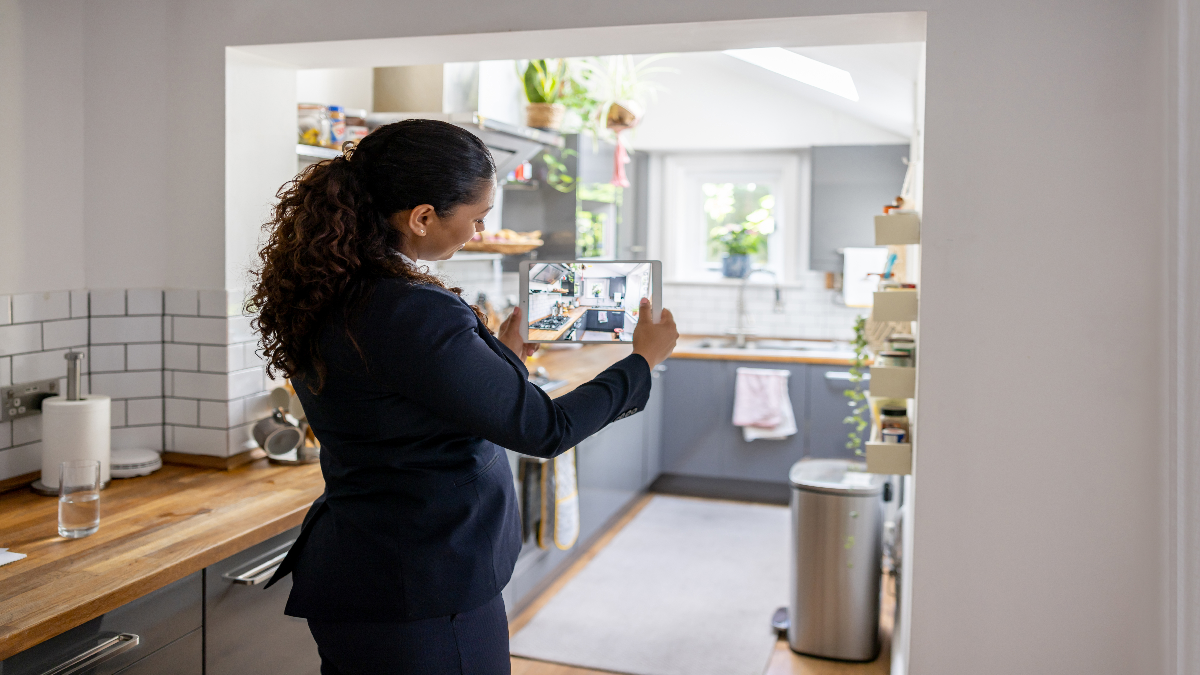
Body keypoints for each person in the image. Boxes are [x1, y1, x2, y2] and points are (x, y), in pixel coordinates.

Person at [250, 119, 678, 675]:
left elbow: (405, 396)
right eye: (476, 218)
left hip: (365, 571)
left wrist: (502, 361)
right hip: (424, 586)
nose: (478, 231)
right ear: (423, 217)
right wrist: (641, 360)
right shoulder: (413, 309)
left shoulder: (333, 290)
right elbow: (546, 429)